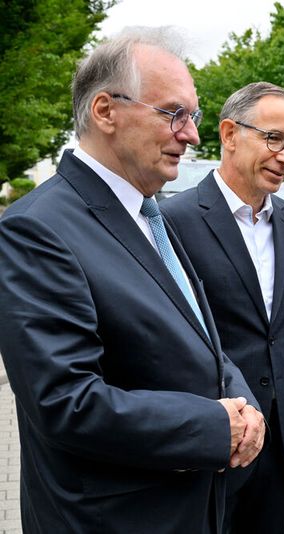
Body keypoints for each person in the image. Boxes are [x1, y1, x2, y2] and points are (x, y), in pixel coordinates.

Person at [0, 28, 266, 533]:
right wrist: (216, 426)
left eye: (194, 116)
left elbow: (198, 337)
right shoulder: (37, 229)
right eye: (173, 114)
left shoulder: (149, 214)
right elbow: (66, 402)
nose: (191, 135)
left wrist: (243, 403)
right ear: (105, 111)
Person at [161, 82, 284, 533]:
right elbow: (166, 346)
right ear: (228, 133)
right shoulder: (171, 221)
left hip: (278, 447)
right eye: (274, 138)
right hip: (210, 444)